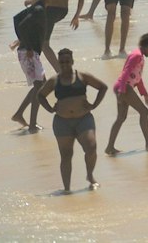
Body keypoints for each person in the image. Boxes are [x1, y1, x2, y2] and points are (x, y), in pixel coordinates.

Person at [35, 47, 108, 194]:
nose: (64, 65)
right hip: (62, 122)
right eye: (62, 62)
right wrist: (50, 109)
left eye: (67, 61)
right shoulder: (54, 80)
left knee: (91, 147)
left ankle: (90, 175)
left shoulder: (82, 76)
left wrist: (93, 105)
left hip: (84, 119)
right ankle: (67, 189)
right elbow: (40, 95)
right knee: (66, 155)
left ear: (72, 61)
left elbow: (102, 87)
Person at [104, 30, 148, 154]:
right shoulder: (137, 56)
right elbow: (126, 72)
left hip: (122, 87)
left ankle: (109, 147)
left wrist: (145, 94)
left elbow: (138, 79)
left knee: (121, 118)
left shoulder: (138, 55)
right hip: (124, 87)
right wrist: (121, 91)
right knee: (144, 111)